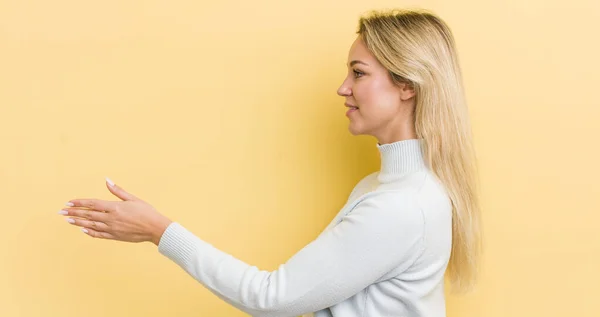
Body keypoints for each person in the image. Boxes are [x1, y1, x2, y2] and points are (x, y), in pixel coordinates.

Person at [59, 8, 482, 317]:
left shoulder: (400, 206)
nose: (342, 88)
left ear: (407, 85)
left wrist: (159, 231)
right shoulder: (384, 188)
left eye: (358, 73)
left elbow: (272, 298)